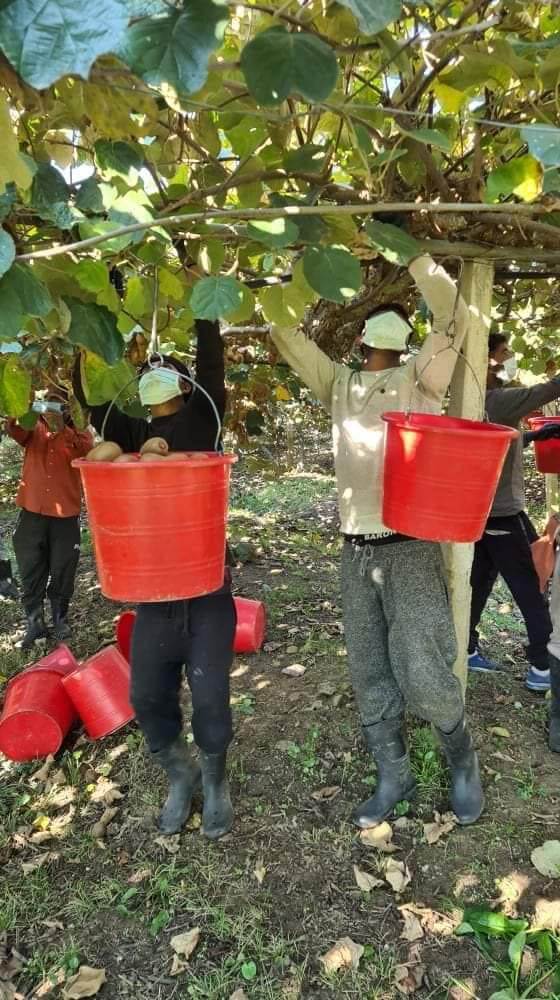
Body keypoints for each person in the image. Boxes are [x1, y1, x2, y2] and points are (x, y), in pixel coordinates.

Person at [271, 246, 485, 827]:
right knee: (369, 662)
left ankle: (459, 755)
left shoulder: (420, 378)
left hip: (409, 543)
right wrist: (289, 279)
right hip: (355, 546)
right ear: (364, 339)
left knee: (420, 658)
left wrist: (416, 260)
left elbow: (454, 321)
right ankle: (394, 772)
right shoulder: (339, 385)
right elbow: (289, 337)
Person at [75, 320, 236, 841]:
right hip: (153, 597)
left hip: (207, 592)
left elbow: (213, 370)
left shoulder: (200, 424)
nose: (152, 376)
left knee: (211, 699)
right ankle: (180, 771)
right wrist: (87, 328)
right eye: (147, 371)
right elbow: (95, 400)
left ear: (186, 387)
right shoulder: (132, 434)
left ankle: (215, 781)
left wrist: (204, 309)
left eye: (164, 371)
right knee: (146, 696)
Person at [468, 333, 560, 691]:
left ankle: (467, 646)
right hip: (502, 513)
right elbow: (549, 390)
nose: (510, 358)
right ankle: (541, 666)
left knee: (479, 582)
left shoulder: (474, 401)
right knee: (529, 587)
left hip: (482, 512)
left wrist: (534, 437)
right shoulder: (500, 400)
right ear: (487, 359)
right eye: (504, 353)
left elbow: (496, 445)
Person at [6, 393, 93, 648]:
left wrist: (62, 427)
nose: (54, 406)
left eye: (61, 402)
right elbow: (14, 428)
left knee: (63, 569)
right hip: (31, 512)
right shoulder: (34, 426)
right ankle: (35, 623)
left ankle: (60, 619)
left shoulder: (80, 431)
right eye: (50, 401)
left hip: (65, 516)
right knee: (30, 569)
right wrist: (24, 404)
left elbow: (88, 451)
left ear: (69, 407)